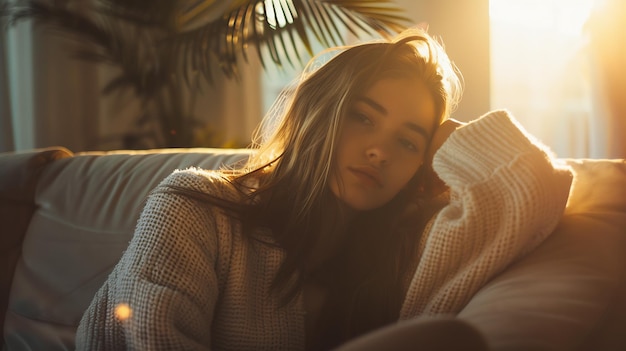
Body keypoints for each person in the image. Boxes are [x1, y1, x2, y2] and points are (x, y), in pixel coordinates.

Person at [75, 27, 573, 350]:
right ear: (316, 114)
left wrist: (446, 136)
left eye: (406, 141)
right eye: (361, 117)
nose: (380, 151)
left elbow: (534, 189)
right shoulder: (194, 206)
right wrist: (416, 136)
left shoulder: (399, 254)